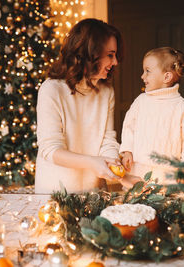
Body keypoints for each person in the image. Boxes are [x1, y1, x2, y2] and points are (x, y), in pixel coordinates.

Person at [35, 18, 126, 194]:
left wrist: (113, 162)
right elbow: (51, 149)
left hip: (94, 192)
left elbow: (107, 139)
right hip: (55, 192)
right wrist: (93, 162)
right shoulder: (51, 89)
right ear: (89, 53)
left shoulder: (106, 91)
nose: (115, 62)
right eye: (110, 55)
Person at [120, 47, 184, 184]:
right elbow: (129, 127)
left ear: (166, 76)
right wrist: (127, 150)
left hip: (168, 174)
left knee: (166, 203)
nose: (142, 76)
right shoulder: (141, 101)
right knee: (137, 202)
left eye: (147, 71)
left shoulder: (182, 107)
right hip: (138, 169)